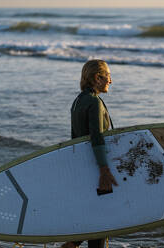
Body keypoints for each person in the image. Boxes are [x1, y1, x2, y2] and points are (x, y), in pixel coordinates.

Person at [61, 59, 118, 248]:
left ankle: (71, 244)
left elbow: (76, 139)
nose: (110, 81)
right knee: (102, 222)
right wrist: (103, 169)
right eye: (108, 76)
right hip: (94, 167)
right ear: (97, 77)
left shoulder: (78, 100)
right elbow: (97, 138)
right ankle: (70, 244)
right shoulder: (94, 102)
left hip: (82, 167)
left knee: (97, 218)